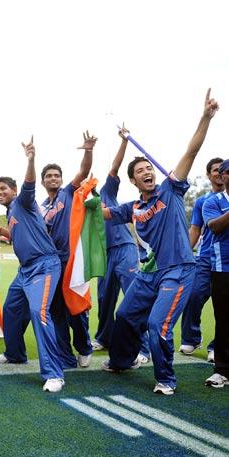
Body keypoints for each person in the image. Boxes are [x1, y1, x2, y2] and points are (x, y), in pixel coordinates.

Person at [101, 89, 219, 395]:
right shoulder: (132, 208)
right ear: (134, 181)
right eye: (140, 171)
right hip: (148, 274)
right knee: (125, 315)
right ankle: (122, 360)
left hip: (178, 269)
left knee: (158, 324)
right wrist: (79, 200)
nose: (147, 172)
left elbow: (190, 153)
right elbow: (101, 212)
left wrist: (205, 117)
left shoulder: (171, 190)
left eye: (148, 169)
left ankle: (166, 378)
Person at [0, 136, 65, 392]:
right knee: (10, 310)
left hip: (44, 266)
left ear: (15, 190)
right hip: (25, 271)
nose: (0, 193)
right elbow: (18, 236)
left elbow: (30, 183)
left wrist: (31, 158)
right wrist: (0, 230)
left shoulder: (24, 201)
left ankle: (54, 373)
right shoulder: (11, 213)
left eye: (3, 189)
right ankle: (15, 354)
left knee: (38, 313)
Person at [40, 131, 97, 369]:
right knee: (55, 310)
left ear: (61, 180)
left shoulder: (68, 193)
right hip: (52, 263)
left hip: (72, 260)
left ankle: (84, 347)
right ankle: (65, 356)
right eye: (49, 176)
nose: (53, 178)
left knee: (75, 308)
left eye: (57, 175)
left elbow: (83, 172)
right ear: (43, 181)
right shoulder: (41, 207)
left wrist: (88, 150)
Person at [93, 126, 148, 362]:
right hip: (103, 256)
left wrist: (124, 142)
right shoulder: (78, 210)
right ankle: (105, 337)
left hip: (125, 249)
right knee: (105, 298)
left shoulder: (105, 192)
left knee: (133, 294)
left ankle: (144, 347)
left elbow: (115, 168)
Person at [179, 157, 224, 361]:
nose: (218, 173)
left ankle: (217, 346)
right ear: (209, 175)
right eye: (215, 170)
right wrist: (186, 254)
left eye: (222, 170)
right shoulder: (203, 202)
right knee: (194, 294)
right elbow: (195, 229)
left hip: (226, 259)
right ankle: (191, 337)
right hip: (206, 257)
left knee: (223, 303)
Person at [202, 158, 229, 388]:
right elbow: (214, 226)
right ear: (222, 176)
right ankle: (221, 370)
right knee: (224, 320)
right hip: (223, 269)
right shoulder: (212, 202)